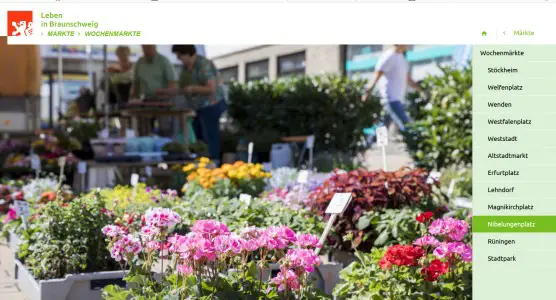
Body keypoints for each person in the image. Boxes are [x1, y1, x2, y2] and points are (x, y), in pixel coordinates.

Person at [157, 45, 227, 163]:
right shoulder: (186, 68)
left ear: (188, 53)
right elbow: (181, 88)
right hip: (197, 108)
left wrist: (193, 89)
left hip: (211, 105)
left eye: (180, 56)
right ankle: (200, 164)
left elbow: (211, 89)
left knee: (209, 138)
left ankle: (213, 165)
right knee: (198, 139)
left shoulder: (203, 64)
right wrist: (165, 92)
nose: (179, 59)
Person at [362, 45, 421, 133]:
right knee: (406, 124)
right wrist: (368, 90)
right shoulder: (389, 56)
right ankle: (415, 143)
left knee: (382, 127)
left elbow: (407, 78)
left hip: (398, 98)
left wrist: (420, 90)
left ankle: (369, 143)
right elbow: (378, 73)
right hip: (390, 98)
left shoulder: (402, 58)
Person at [131, 45, 178, 136]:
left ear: (155, 47)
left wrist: (165, 92)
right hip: (145, 101)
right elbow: (136, 84)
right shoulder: (139, 63)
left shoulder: (163, 61)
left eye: (148, 48)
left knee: (165, 130)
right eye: (144, 48)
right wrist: (133, 98)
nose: (146, 51)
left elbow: (172, 83)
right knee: (144, 131)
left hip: (163, 101)